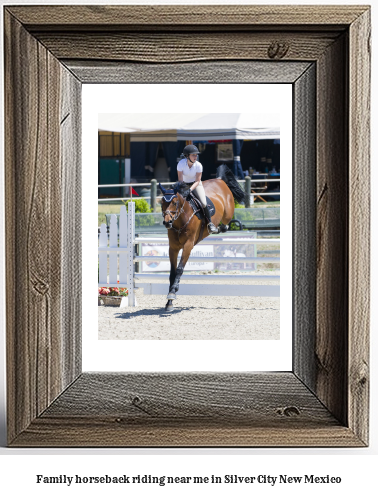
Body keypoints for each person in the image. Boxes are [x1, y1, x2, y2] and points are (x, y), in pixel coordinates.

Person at [177, 145, 217, 233]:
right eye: (193, 155)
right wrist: (183, 189)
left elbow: (197, 181)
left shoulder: (199, 165)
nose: (196, 157)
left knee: (203, 202)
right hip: (184, 184)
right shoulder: (180, 164)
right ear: (187, 156)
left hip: (196, 184)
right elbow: (180, 180)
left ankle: (210, 223)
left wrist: (190, 190)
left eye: (196, 155)